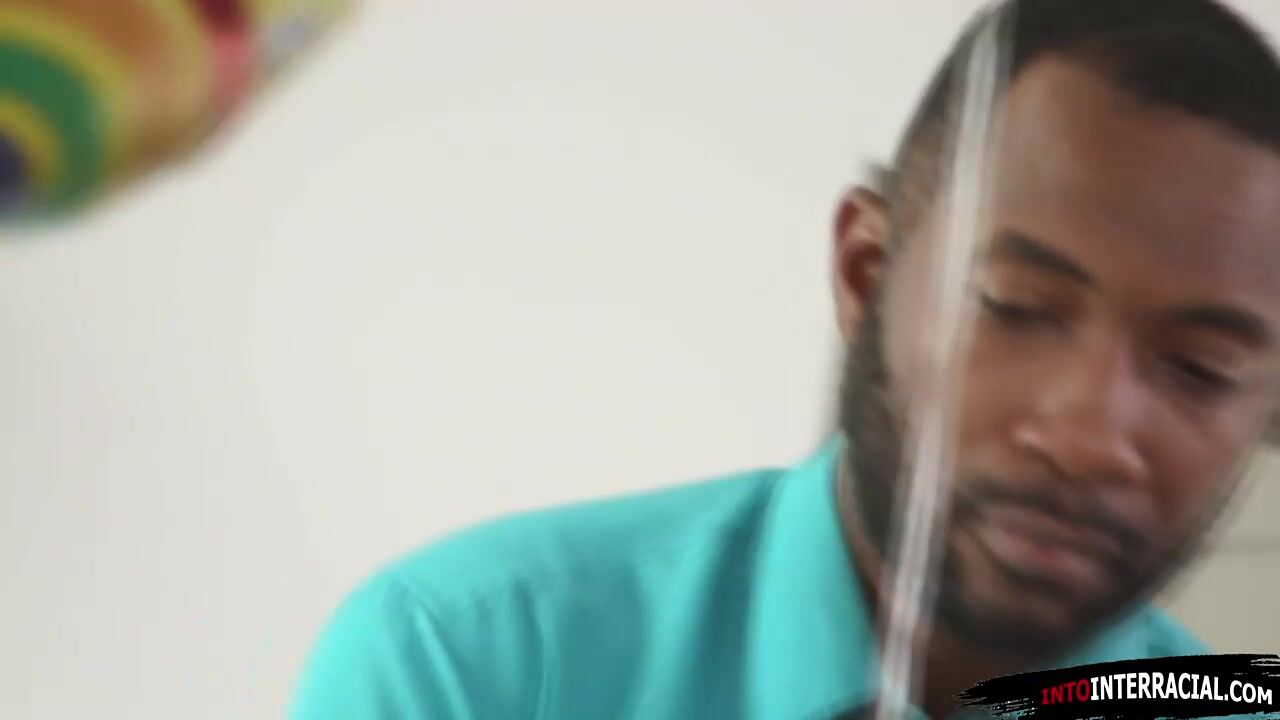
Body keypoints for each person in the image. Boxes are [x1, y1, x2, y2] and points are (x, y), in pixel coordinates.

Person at [289, 1, 1280, 718]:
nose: (1089, 435)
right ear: (864, 273)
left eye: (1201, 368)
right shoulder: (473, 666)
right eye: (1015, 308)